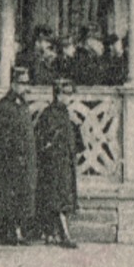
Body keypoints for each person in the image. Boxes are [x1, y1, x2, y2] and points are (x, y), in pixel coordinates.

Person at [0, 67, 39, 244]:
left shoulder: (23, 106)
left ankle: (19, 230)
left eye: (27, 83)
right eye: (23, 83)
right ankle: (10, 232)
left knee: (23, 197)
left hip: (24, 162)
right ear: (13, 84)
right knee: (10, 197)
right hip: (10, 162)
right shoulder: (3, 107)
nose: (26, 87)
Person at [31, 81, 81, 247]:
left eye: (69, 94)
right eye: (65, 94)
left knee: (61, 199)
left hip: (64, 163)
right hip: (53, 164)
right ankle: (63, 235)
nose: (68, 97)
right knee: (57, 201)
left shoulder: (65, 114)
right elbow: (44, 139)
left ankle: (53, 234)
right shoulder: (50, 114)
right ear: (58, 95)